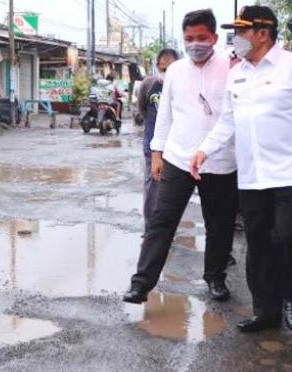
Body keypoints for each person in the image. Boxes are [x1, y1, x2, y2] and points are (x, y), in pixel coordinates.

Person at [123, 9, 238, 304]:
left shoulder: (232, 67)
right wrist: (157, 154)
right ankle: (141, 284)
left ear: (214, 37)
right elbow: (165, 116)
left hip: (220, 160)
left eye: (202, 38)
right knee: (162, 220)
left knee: (220, 224)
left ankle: (215, 279)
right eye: (189, 38)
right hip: (178, 157)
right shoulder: (175, 71)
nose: (195, 44)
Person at [191, 5, 292, 333]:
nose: (237, 38)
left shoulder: (289, 67)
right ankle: (266, 311)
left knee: (286, 240)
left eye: (242, 31)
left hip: (287, 174)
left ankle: (289, 301)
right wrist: (204, 150)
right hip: (251, 178)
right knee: (258, 245)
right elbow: (227, 122)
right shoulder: (238, 74)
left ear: (263, 34)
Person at [138, 48, 179, 231]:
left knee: (174, 191)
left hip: (178, 148)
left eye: (170, 69)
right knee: (152, 189)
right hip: (153, 147)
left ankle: (169, 228)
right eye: (163, 69)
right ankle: (151, 229)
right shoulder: (149, 85)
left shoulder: (183, 86)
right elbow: (143, 110)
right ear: (157, 68)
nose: (166, 74)